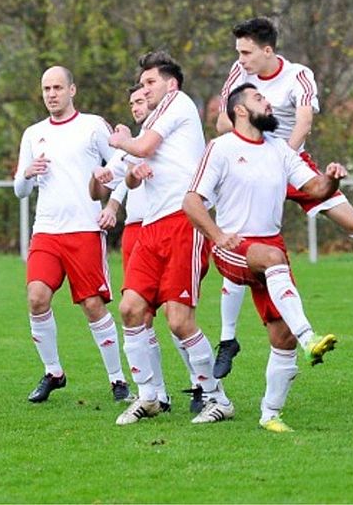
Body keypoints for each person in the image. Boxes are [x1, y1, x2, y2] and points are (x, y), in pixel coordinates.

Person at [212, 17, 353, 379]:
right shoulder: (238, 75)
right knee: (240, 240)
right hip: (248, 163)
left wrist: (279, 159)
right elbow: (223, 123)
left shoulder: (299, 75)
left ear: (268, 50)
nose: (240, 59)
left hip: (290, 160)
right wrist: (254, 149)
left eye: (246, 52)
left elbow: (304, 123)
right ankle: (227, 340)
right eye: (238, 52)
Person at [184, 83, 344, 432]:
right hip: (234, 247)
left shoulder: (279, 150)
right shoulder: (221, 148)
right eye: (259, 99)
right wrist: (218, 236)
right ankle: (309, 339)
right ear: (240, 110)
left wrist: (331, 180)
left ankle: (270, 414)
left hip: (270, 253)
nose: (267, 103)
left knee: (280, 336)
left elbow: (313, 188)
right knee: (273, 258)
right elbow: (192, 202)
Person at [108, 51, 233, 426]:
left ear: (171, 84)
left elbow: (142, 148)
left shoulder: (178, 104)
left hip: (183, 222)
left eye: (150, 83)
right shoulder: (156, 116)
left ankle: (217, 398)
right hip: (150, 227)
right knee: (131, 309)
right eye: (142, 83)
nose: (145, 90)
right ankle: (148, 396)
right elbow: (133, 168)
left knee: (179, 320)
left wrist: (121, 139)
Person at [13, 65, 132, 404]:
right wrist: (27, 174)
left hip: (84, 229)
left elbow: (122, 166)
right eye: (46, 89)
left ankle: (118, 380)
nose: (51, 94)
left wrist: (111, 207)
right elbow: (20, 190)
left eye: (57, 88)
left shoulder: (92, 126)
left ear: (72, 90)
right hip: (47, 231)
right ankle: (54, 372)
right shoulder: (33, 133)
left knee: (93, 305)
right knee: (36, 298)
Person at [90, 84, 205, 414]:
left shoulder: (163, 138)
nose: (138, 105)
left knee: (176, 313)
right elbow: (108, 182)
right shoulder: (132, 144)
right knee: (138, 314)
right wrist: (106, 191)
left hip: (171, 226)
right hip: (137, 231)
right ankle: (158, 393)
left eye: (142, 98)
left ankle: (202, 387)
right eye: (133, 102)